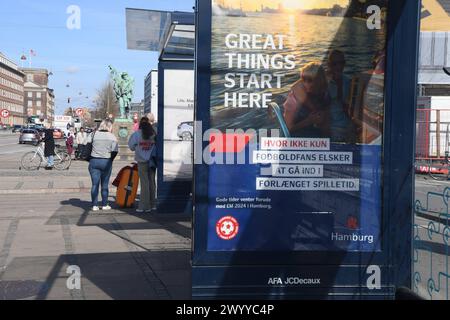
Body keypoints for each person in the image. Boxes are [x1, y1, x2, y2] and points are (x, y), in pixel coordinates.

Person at [283, 62, 330, 138]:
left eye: (310, 80)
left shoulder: (324, 94)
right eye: (304, 80)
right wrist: (308, 121)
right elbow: (285, 129)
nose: (306, 83)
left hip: (317, 138)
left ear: (319, 81)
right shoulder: (293, 99)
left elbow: (326, 123)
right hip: (296, 139)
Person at [88, 119, 119, 212]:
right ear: (109, 126)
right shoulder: (112, 137)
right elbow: (115, 151)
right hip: (106, 161)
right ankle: (104, 204)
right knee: (105, 184)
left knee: (94, 184)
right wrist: (110, 159)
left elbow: (85, 144)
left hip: (94, 161)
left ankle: (94, 205)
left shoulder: (93, 134)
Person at [327, 50, 356, 143]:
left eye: (341, 63)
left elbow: (347, 104)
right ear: (329, 65)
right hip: (329, 124)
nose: (338, 66)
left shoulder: (347, 81)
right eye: (335, 64)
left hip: (345, 122)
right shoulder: (323, 81)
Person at [128, 120, 156, 213]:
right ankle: (153, 204)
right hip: (152, 161)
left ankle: (144, 206)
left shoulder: (136, 134)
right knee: (152, 182)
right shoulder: (153, 134)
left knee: (144, 184)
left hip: (141, 161)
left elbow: (131, 147)